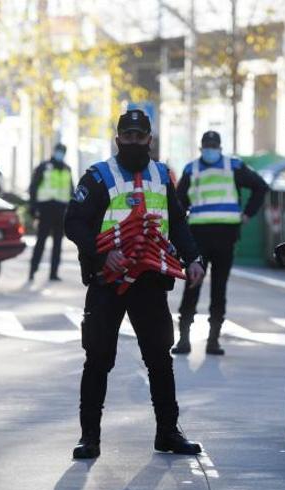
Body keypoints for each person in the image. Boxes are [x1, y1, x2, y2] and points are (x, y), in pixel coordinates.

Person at [64, 109, 206, 459]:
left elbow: (177, 223)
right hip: (106, 282)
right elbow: (74, 223)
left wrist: (194, 259)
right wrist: (102, 254)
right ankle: (90, 438)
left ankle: (168, 433)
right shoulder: (98, 176)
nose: (133, 142)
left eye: (139, 136)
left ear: (149, 139)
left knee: (160, 358)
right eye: (127, 136)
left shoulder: (161, 176)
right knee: (98, 358)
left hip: (150, 281)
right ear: (117, 139)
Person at [173, 131, 269, 356]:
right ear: (201, 147)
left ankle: (213, 341)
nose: (210, 149)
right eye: (207, 145)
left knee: (217, 288)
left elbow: (260, 187)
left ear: (220, 147)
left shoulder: (233, 166)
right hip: (198, 237)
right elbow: (178, 202)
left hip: (224, 236)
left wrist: (247, 214)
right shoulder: (192, 169)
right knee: (193, 286)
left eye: (213, 145)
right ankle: (184, 339)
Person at [28, 143, 74, 282]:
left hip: (61, 209)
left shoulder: (67, 169)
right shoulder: (43, 166)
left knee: (58, 243)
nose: (60, 153)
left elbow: (71, 190)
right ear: (54, 151)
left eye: (62, 151)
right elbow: (34, 187)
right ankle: (33, 269)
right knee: (41, 241)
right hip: (46, 208)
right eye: (59, 151)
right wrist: (33, 206)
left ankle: (54, 272)